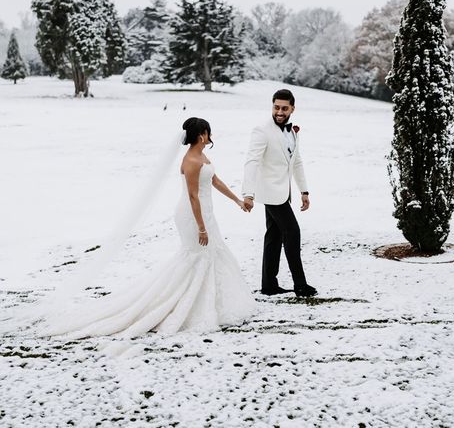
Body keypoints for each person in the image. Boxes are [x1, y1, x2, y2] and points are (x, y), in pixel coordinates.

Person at [20, 118, 256, 340]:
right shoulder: (191, 161)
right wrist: (201, 228)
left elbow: (215, 181)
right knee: (196, 258)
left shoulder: (203, 158)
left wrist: (236, 200)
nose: (210, 135)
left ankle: (214, 303)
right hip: (194, 216)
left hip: (206, 215)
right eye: (208, 132)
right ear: (202, 135)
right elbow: (193, 197)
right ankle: (180, 305)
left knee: (212, 256)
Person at [242, 89, 316, 297]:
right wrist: (248, 193)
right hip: (270, 193)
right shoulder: (262, 130)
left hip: (285, 192)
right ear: (272, 106)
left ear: (292, 108)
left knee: (273, 237)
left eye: (284, 108)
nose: (280, 112)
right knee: (292, 232)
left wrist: (304, 190)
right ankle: (300, 284)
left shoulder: (292, 131)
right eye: (276, 107)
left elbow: (297, 161)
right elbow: (252, 161)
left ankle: (269, 285)